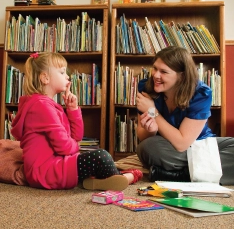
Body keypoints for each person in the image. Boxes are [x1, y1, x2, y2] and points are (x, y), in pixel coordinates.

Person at [11, 52, 142, 191]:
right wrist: (76, 148)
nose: (67, 76)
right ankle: (126, 178)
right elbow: (65, 147)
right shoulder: (41, 106)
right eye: (62, 72)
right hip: (46, 171)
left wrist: (72, 109)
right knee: (101, 156)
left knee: (99, 157)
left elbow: (76, 137)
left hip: (56, 165)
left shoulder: (48, 105)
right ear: (45, 78)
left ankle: (105, 180)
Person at [136, 46, 234, 185]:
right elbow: (142, 135)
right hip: (166, 146)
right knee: (147, 147)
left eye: (163, 72)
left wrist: (153, 112)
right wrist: (151, 131)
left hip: (200, 144)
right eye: (155, 68)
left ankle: (180, 175)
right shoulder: (145, 88)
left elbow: (182, 143)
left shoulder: (201, 93)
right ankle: (203, 172)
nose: (156, 75)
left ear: (181, 76)